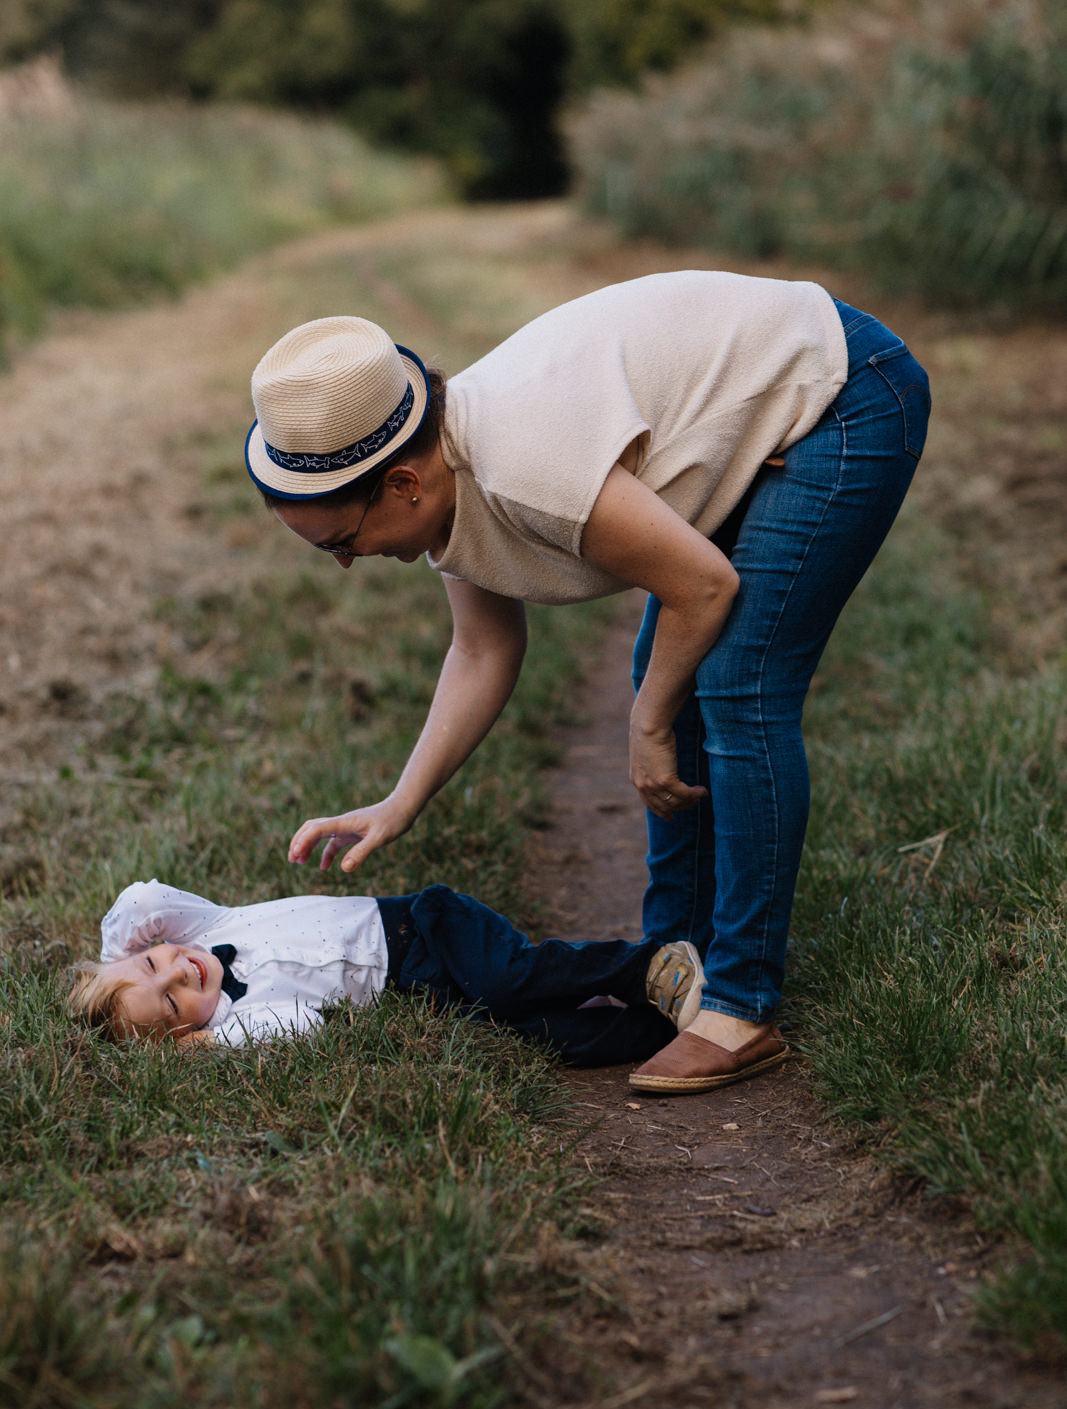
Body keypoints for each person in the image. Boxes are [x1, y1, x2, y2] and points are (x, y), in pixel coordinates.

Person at [244, 273, 930, 1094]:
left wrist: (646, 723)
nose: (347, 563)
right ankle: (676, 961)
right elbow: (482, 650)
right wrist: (400, 802)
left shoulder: (520, 465)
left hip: (841, 391)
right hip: (767, 390)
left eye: (340, 541)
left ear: (402, 484)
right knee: (669, 673)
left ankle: (741, 1002)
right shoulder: (444, 476)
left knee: (736, 685)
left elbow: (701, 586)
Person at [68, 878, 703, 1066]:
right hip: (429, 993)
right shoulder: (242, 1020)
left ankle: (646, 966)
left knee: (508, 980)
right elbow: (305, 1027)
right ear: (185, 1036)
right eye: (171, 1003)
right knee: (538, 1035)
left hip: (424, 926)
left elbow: (141, 901)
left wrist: (116, 960)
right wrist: (210, 1045)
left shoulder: (205, 926)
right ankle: (667, 1030)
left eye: (152, 962)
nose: (178, 974)